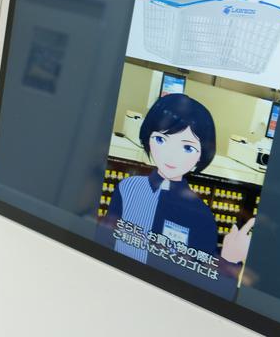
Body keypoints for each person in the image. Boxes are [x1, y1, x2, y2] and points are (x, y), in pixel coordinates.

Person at [96, 94, 254, 297]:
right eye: (161, 139)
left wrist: (230, 260)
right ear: (148, 140)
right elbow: (104, 239)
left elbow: (206, 290)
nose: (171, 155)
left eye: (188, 147)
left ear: (200, 156)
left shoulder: (201, 215)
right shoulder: (127, 187)